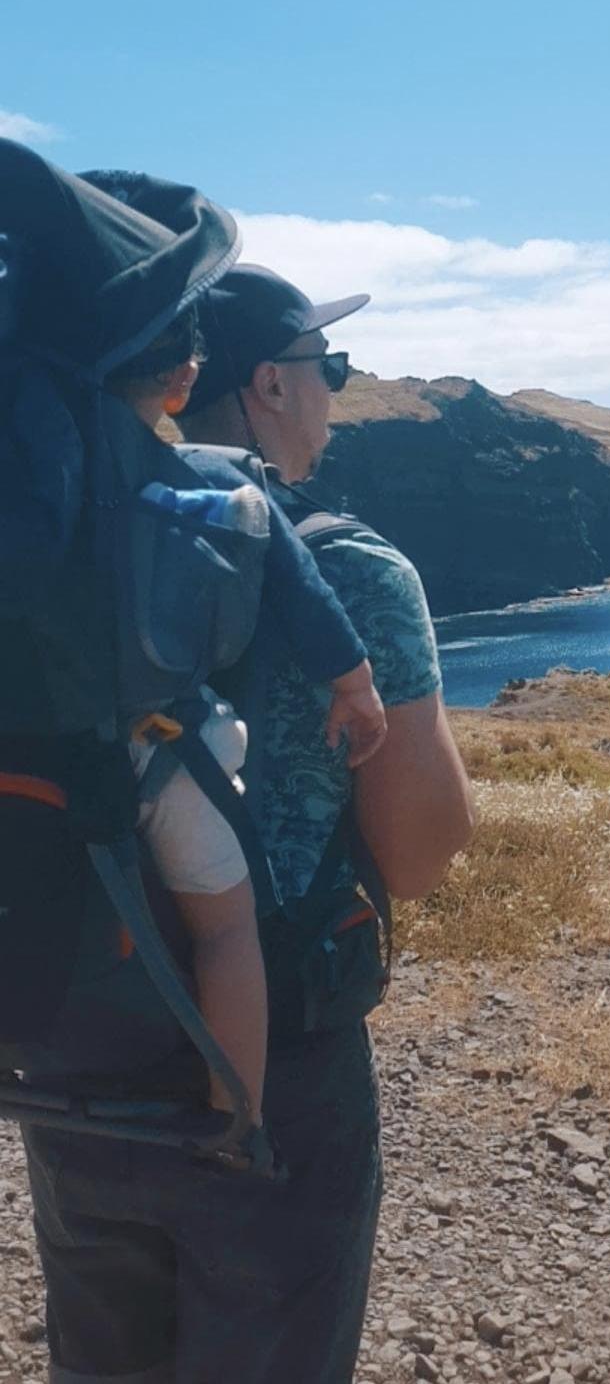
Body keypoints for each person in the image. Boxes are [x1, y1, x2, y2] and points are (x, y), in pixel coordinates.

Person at [24, 265, 474, 1384]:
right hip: (278, 1063)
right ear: (270, 382)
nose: (338, 391)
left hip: (75, 1028)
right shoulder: (351, 564)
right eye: (333, 368)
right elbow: (420, 856)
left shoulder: (55, 538)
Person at [107, 304, 388, 1127]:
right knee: (228, 931)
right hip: (157, 749)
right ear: (180, 379)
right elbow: (301, 589)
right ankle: (238, 1114)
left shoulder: (25, 475)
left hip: (36, 749)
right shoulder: (214, 475)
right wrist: (355, 683)